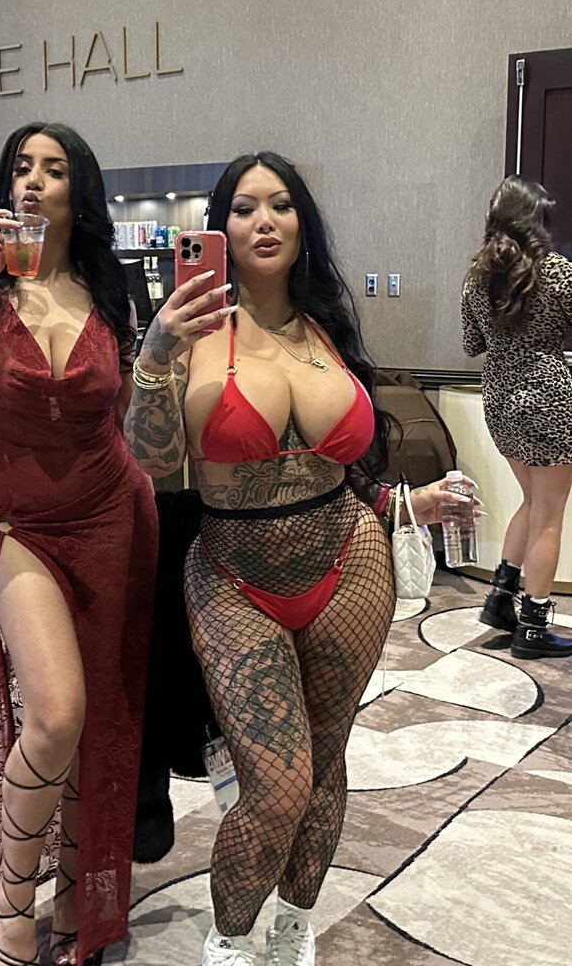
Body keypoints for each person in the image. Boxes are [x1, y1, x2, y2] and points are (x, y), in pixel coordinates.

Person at [123, 151, 478, 966]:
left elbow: (343, 470)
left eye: (281, 204)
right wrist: (155, 352)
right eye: (244, 207)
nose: (264, 221)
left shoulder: (326, 326)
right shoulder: (192, 332)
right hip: (232, 577)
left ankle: (292, 923)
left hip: (349, 562)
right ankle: (229, 939)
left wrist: (408, 503)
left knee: (324, 763)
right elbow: (151, 460)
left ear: (302, 223)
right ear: (219, 227)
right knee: (277, 784)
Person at [0, 122, 157, 966]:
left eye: (53, 170)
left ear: (76, 192)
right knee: (55, 714)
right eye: (21, 167)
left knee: (101, 719)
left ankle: (75, 902)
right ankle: (12, 909)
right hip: (16, 524)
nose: (32, 181)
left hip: (111, 514)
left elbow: (130, 420)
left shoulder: (107, 286)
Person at [463, 175, 572, 659]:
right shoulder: (559, 273)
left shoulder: (475, 277)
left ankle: (500, 599)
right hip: (549, 401)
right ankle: (533, 626)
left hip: (500, 401)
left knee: (532, 502)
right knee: (550, 514)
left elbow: (472, 344)